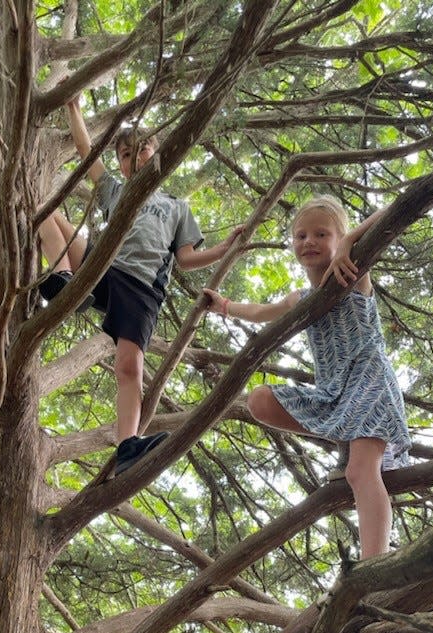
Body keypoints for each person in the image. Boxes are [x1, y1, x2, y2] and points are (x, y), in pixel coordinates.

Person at [38, 94, 243, 475]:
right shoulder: (115, 190)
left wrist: (223, 248)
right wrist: (74, 109)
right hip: (102, 266)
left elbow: (185, 259)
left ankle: (128, 445)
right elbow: (88, 154)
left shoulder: (176, 206)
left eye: (142, 149)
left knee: (128, 366)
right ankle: (63, 280)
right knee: (48, 214)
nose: (135, 158)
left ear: (157, 150)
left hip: (141, 287)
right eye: (126, 154)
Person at [203, 195, 410, 560]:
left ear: (338, 239)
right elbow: (260, 312)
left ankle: (373, 566)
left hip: (368, 382)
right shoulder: (300, 298)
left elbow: (394, 209)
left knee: (361, 473)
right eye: (300, 236)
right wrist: (223, 306)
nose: (308, 241)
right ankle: (343, 439)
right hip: (333, 394)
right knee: (259, 401)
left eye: (321, 234)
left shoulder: (353, 271)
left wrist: (350, 242)